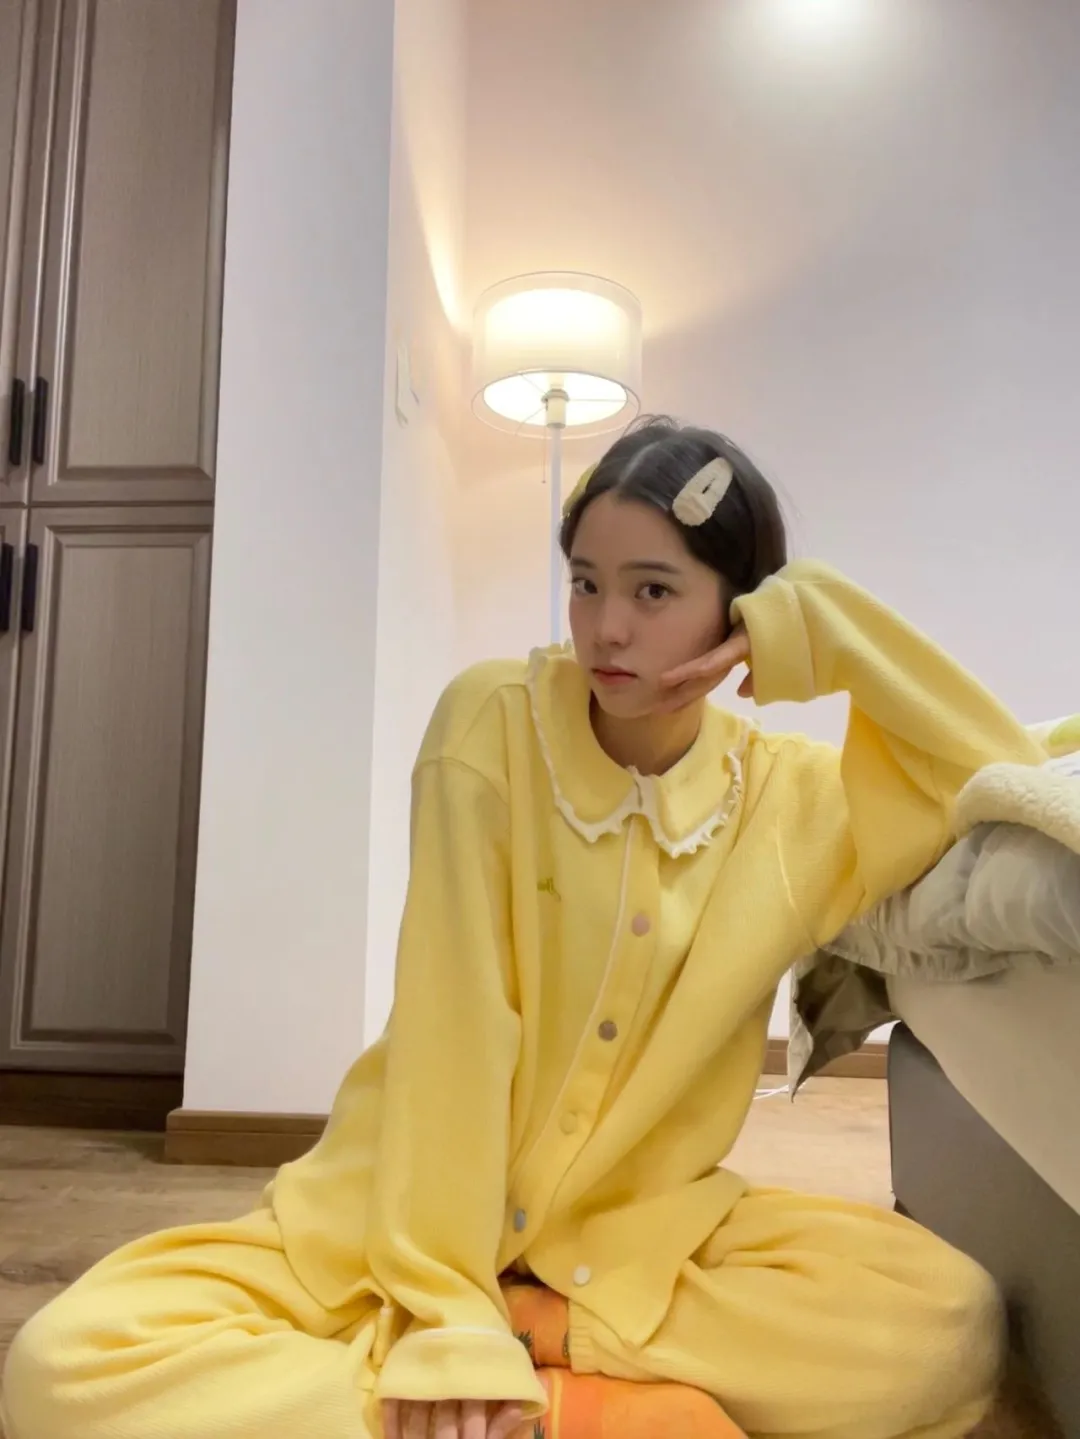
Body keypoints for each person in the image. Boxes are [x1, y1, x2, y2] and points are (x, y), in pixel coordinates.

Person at [2, 417, 1043, 1439]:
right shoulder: (491, 722)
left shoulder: (790, 799)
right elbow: (453, 1031)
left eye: (653, 590)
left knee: (951, 1321)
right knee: (64, 1367)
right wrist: (449, 1314)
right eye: (586, 582)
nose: (606, 628)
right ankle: (576, 1408)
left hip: (636, 1238)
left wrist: (821, 629)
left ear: (738, 610)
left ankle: (529, 1352)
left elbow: (1009, 784)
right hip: (394, 1203)